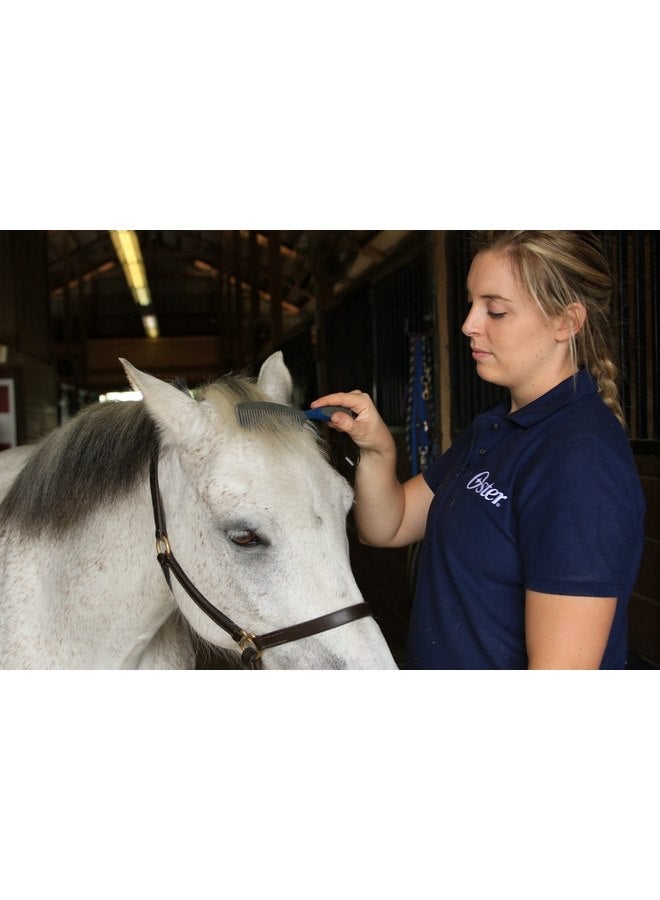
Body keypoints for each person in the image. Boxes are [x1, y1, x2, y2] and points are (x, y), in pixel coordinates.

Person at [312, 231, 646, 669]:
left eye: (496, 310)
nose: (469, 324)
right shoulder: (494, 428)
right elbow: (386, 528)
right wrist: (378, 451)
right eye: (471, 304)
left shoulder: (579, 461)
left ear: (566, 322)